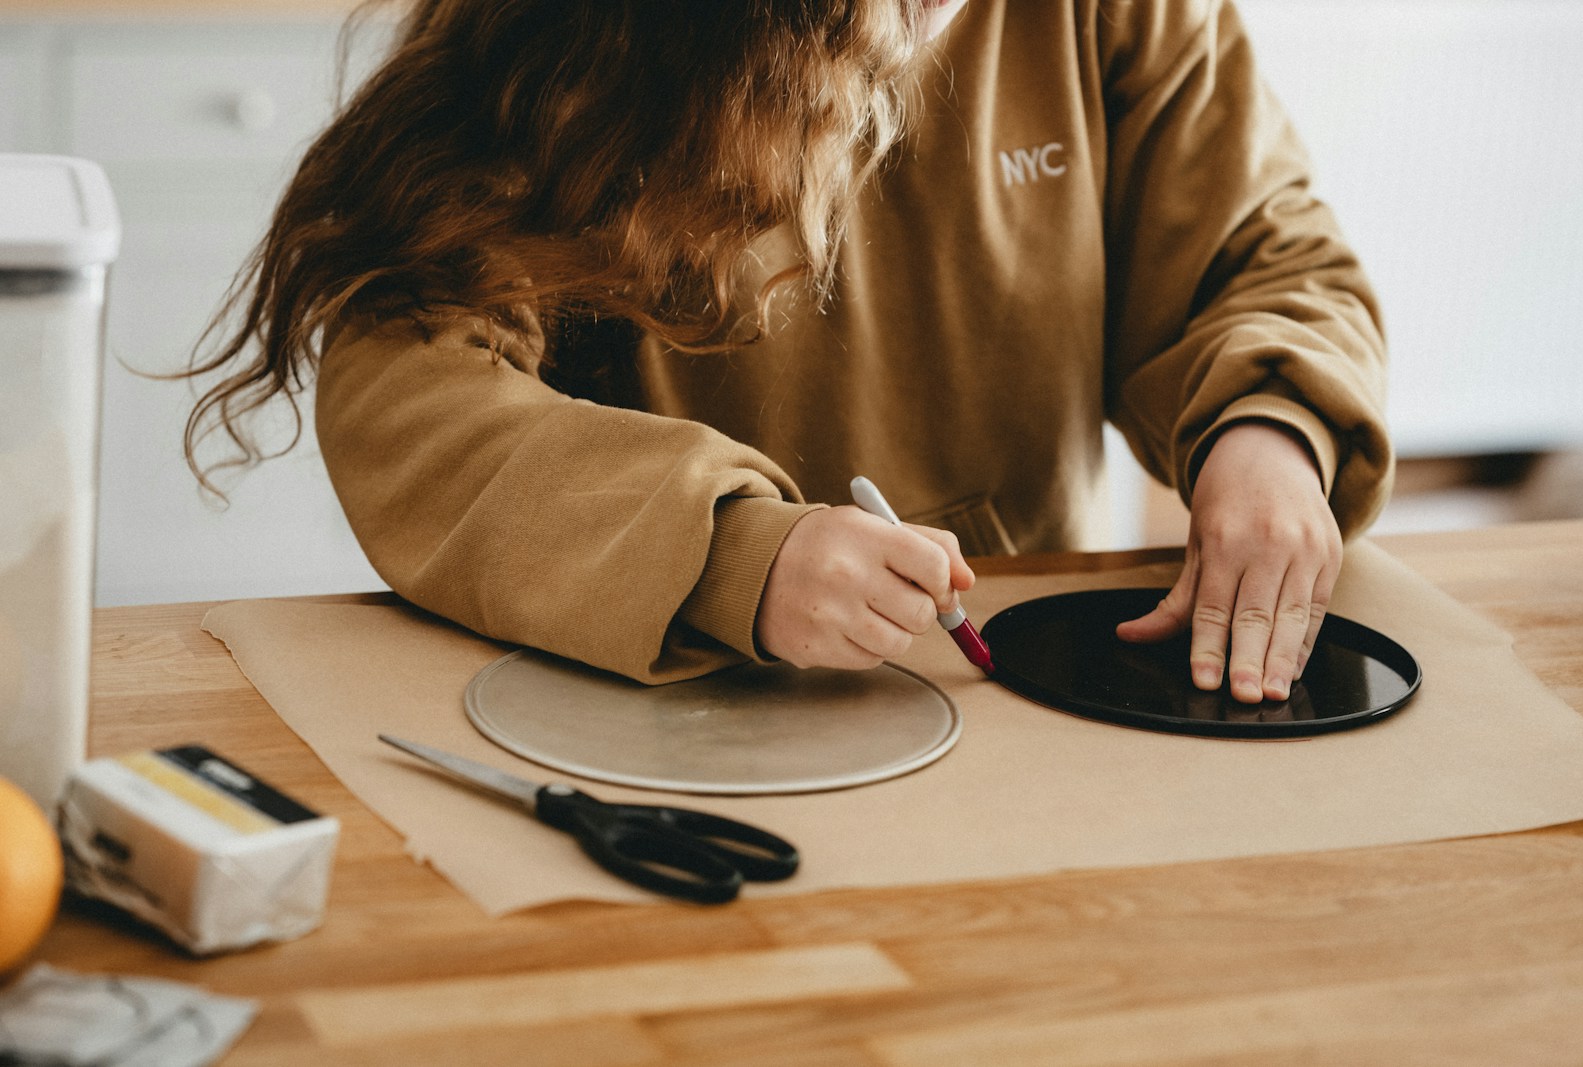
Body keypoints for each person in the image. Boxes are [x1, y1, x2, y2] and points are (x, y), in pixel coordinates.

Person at [185, 0, 1392, 704]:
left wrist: (1270, 432)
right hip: (644, 705)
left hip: (1011, 689)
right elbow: (412, 379)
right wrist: (723, 550)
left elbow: (1259, 255)